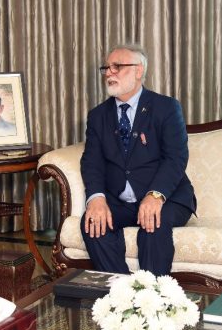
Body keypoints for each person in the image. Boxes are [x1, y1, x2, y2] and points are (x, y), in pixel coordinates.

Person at [80, 43, 196, 277]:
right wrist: (96, 198)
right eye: (107, 68)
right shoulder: (98, 116)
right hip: (121, 201)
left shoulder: (165, 108)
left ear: (138, 70)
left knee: (153, 223)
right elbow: (92, 162)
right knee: (92, 223)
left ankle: (153, 296)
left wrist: (155, 195)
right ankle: (122, 291)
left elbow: (176, 158)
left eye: (117, 67)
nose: (109, 73)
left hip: (167, 198)